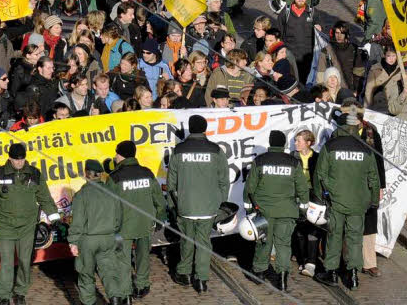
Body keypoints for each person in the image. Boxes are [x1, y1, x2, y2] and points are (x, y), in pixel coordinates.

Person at [0, 142, 61, 305]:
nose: (19, 162)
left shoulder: (34, 175)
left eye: (22, 159)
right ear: (10, 158)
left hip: (27, 227)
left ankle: (21, 292)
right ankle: (3, 295)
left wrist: (54, 217)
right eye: (16, 160)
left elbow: (44, 197)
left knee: (24, 261)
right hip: (6, 225)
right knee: (7, 262)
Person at [313, 106, 381, 290]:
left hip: (336, 201)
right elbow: (374, 178)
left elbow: (320, 175)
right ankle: (353, 275)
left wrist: (321, 197)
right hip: (359, 202)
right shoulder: (365, 148)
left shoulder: (330, 147)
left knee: (334, 236)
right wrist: (374, 201)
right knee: (354, 237)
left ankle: (332, 272)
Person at [166, 115, 229, 292]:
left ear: (190, 129)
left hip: (185, 205)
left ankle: (184, 272)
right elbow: (224, 180)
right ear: (204, 128)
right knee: (203, 242)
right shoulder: (216, 150)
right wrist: (221, 204)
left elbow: (171, 183)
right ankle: (201, 279)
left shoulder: (178, 150)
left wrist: (173, 205)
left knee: (186, 240)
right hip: (209, 206)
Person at [242, 130, 309, 292]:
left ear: (270, 143)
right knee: (284, 245)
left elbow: (249, 188)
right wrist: (303, 208)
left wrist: (249, 208)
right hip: (287, 211)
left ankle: (259, 272)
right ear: (284, 143)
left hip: (264, 211)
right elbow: (302, 188)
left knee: (264, 242)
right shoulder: (293, 162)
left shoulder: (260, 161)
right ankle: (283, 277)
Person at [106, 141, 166, 298]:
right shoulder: (147, 173)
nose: (115, 156)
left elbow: (108, 205)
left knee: (123, 258)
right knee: (143, 255)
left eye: (117, 153)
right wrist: (160, 217)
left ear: (121, 155)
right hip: (145, 222)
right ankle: (141, 285)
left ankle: (125, 293)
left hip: (123, 225)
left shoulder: (114, 177)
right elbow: (158, 198)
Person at [68, 159, 130, 305]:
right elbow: (119, 218)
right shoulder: (112, 193)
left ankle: (89, 302)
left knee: (86, 274)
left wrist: (73, 242)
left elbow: (77, 222)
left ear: (86, 174)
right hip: (108, 238)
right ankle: (115, 300)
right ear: (100, 174)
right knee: (109, 272)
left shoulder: (81, 195)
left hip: (87, 240)